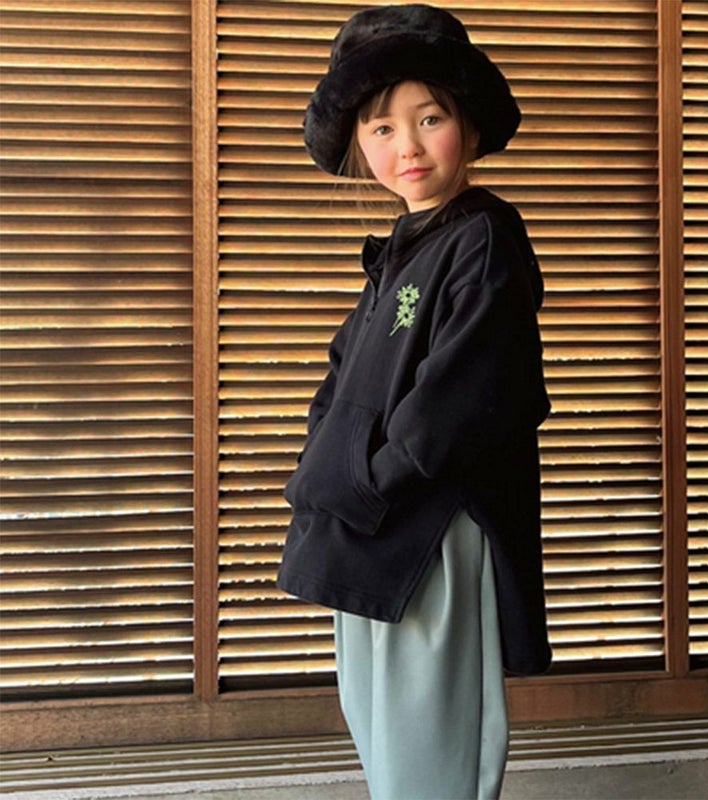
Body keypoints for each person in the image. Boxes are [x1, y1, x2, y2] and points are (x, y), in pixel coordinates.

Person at [278, 5, 551, 798]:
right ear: (358, 145)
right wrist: (328, 477)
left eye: (429, 118)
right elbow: (339, 385)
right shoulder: (402, 253)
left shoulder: (482, 237)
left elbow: (465, 395)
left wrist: (370, 480)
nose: (408, 146)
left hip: (429, 527)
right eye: (382, 127)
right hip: (367, 528)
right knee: (386, 745)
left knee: (430, 751)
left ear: (467, 123)